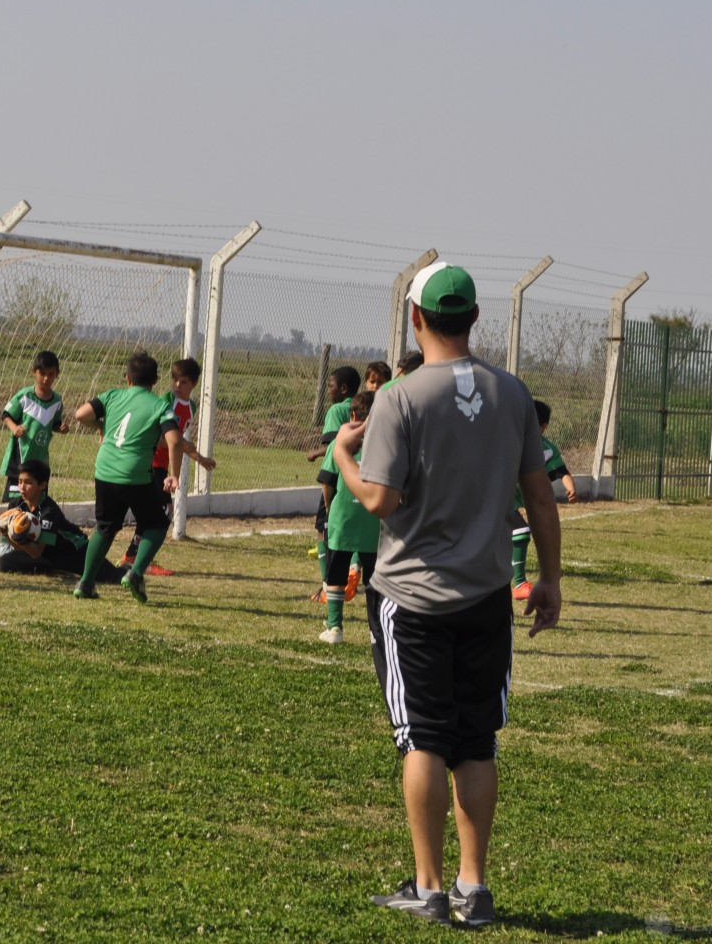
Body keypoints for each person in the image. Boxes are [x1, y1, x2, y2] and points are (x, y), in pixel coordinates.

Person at [333, 261, 562, 929]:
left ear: (416, 317)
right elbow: (539, 495)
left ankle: (430, 888)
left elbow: (380, 499)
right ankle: (474, 887)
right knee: (477, 743)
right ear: (475, 317)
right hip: (487, 594)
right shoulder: (512, 393)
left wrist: (344, 455)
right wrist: (549, 577)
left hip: (413, 598)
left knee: (424, 740)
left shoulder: (400, 397)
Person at [67, 351, 184, 603]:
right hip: (134, 474)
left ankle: (85, 583)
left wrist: (101, 426)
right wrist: (174, 475)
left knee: (105, 527)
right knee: (157, 523)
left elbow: (80, 415)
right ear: (155, 381)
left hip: (104, 470)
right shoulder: (159, 405)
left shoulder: (112, 395)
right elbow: (174, 441)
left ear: (128, 379)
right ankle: (136, 573)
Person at [121, 357, 216, 576]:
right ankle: (138, 558)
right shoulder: (165, 402)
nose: (177, 385)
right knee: (161, 511)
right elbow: (161, 437)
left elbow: (178, 441)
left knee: (159, 511)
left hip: (163, 466)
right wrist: (183, 445)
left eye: (183, 382)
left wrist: (199, 457)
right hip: (151, 462)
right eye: (174, 380)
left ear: (194, 384)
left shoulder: (191, 407)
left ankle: (134, 556)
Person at [316, 389, 380, 644]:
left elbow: (327, 482)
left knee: (335, 575)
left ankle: (335, 628)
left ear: (352, 416)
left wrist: (329, 508)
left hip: (342, 519)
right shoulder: (385, 444)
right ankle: (377, 631)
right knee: (375, 580)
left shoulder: (339, 444)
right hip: (374, 522)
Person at [0, 459, 122, 582]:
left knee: (114, 577)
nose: (22, 487)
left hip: (71, 551)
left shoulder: (49, 511)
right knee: (3, 564)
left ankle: (126, 568)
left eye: (28, 483)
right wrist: (7, 533)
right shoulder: (16, 506)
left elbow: (36, 552)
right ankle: (50, 567)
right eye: (20, 481)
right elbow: (21, 548)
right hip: (44, 553)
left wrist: (21, 540)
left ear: (42, 485)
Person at [510, 399, 578, 600]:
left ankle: (516, 583)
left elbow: (561, 471)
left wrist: (570, 487)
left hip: (508, 504)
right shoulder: (507, 436)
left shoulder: (546, 449)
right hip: (493, 500)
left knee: (517, 534)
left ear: (542, 427)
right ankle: (518, 584)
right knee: (519, 533)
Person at [307, 366, 362, 597]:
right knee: (357, 526)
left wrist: (315, 453)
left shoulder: (336, 410)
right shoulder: (362, 407)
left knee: (324, 528)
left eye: (330, 386)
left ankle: (327, 585)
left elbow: (334, 445)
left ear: (343, 388)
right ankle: (355, 567)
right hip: (358, 476)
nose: (328, 390)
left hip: (337, 476)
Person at [0, 351, 68, 503]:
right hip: (21, 457)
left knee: (38, 501)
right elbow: (6, 415)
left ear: (57, 374)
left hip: (41, 460)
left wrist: (60, 428)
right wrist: (14, 428)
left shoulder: (57, 401)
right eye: (42, 373)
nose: (46, 378)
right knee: (15, 502)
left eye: (51, 374)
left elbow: (55, 423)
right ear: (34, 372)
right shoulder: (25, 396)